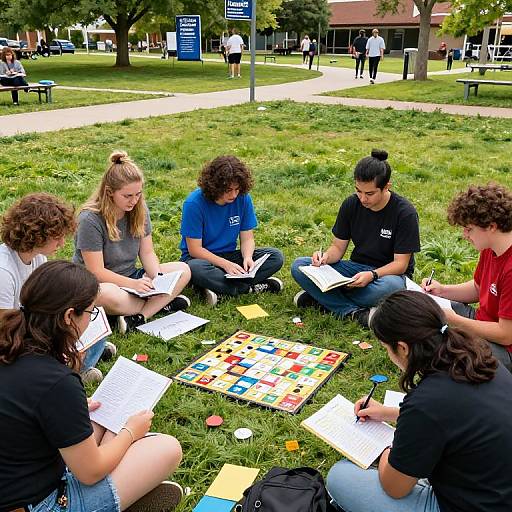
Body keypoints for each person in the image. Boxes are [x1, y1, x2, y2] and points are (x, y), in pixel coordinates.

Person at [0, 260, 184, 512]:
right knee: (165, 448)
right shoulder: (55, 380)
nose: (92, 319)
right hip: (38, 504)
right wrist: (131, 432)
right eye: (91, 312)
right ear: (68, 317)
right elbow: (90, 472)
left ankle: (122, 491)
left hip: (19, 479)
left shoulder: (11, 345)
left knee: (102, 421)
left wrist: (69, 412)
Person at [326, 290, 512, 512]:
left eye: (387, 348)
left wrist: (384, 450)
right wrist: (387, 412)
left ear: (402, 348)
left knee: (341, 475)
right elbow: (456, 414)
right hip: (498, 489)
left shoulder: (427, 401)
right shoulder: (481, 360)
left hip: (469, 504)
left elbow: (395, 488)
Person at [291, 149, 420, 327]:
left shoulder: (404, 213)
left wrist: (373, 275)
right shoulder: (351, 204)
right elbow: (337, 248)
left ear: (386, 187)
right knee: (299, 265)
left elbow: (401, 264)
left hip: (387, 275)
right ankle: (353, 312)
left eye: (369, 194)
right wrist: (324, 258)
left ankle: (324, 298)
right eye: (358, 191)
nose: (362, 198)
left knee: (390, 289)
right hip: (355, 271)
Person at [73, 151, 191, 333]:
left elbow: (147, 253)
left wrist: (158, 280)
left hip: (133, 277)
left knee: (183, 269)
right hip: (102, 284)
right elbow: (96, 271)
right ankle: (159, 305)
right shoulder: (90, 219)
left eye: (138, 194)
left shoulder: (139, 208)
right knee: (103, 294)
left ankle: (140, 317)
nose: (134, 201)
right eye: (127, 196)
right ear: (109, 192)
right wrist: (133, 285)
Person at [0, 192, 110, 384]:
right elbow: (5, 331)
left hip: (31, 329)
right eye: (57, 237)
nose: (62, 243)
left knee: (91, 322)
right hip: (13, 341)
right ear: (37, 233)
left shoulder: (38, 258)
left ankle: (79, 358)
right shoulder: (4, 271)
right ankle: (74, 368)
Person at [422, 183, 512, 371]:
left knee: (445, 353)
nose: (465, 235)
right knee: (424, 310)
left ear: (492, 226)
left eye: (469, 229)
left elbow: (506, 334)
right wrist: (442, 290)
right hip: (482, 322)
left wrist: (456, 321)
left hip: (505, 348)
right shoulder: (490, 247)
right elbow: (479, 289)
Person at [180, 155, 284, 306]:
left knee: (275, 256)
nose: (234, 195)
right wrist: (225, 265)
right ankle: (248, 288)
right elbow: (195, 250)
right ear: (215, 186)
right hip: (200, 259)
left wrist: (248, 258)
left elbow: (247, 238)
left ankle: (217, 288)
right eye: (228, 190)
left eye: (237, 189)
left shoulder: (243, 199)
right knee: (194, 268)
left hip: (230, 256)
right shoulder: (193, 203)